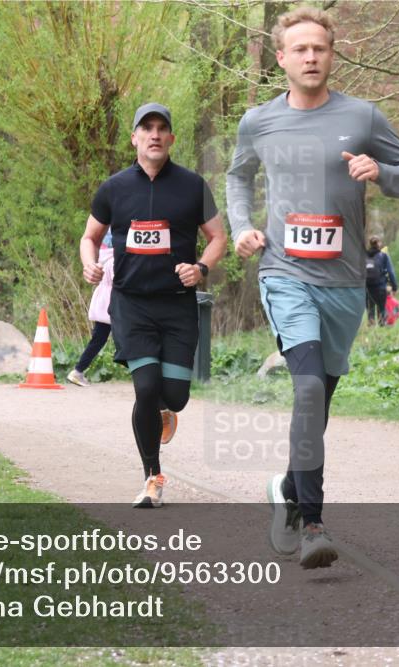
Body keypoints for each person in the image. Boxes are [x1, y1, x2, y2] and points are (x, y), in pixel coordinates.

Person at [226, 7, 399, 568]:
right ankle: (313, 523)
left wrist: (380, 172)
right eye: (301, 49)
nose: (311, 57)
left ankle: (288, 489)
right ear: (282, 58)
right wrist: (243, 229)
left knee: (321, 399)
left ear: (331, 55)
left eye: (321, 48)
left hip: (344, 283)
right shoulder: (258, 122)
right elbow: (238, 176)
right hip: (284, 273)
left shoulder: (362, 117)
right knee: (308, 389)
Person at [80, 102, 226, 507]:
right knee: (145, 389)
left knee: (174, 396)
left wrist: (200, 268)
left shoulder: (192, 185)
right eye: (147, 128)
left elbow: (218, 237)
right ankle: (152, 478)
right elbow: (89, 237)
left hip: (178, 306)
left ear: (172, 138)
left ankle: (166, 409)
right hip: (131, 305)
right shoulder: (113, 188)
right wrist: (90, 264)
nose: (155, 135)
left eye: (163, 128)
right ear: (135, 138)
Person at [68, 232, 114, 388]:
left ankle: (78, 370)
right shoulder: (114, 259)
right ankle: (78, 370)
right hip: (113, 305)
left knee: (98, 339)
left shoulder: (102, 257)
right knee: (126, 340)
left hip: (103, 304)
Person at [364, 235, 398, 326]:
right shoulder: (383, 256)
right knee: (381, 309)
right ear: (379, 244)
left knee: (370, 310)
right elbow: (391, 272)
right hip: (380, 287)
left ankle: (371, 324)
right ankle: (382, 325)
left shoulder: (363, 255)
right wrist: (394, 287)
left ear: (370, 244)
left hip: (367, 288)